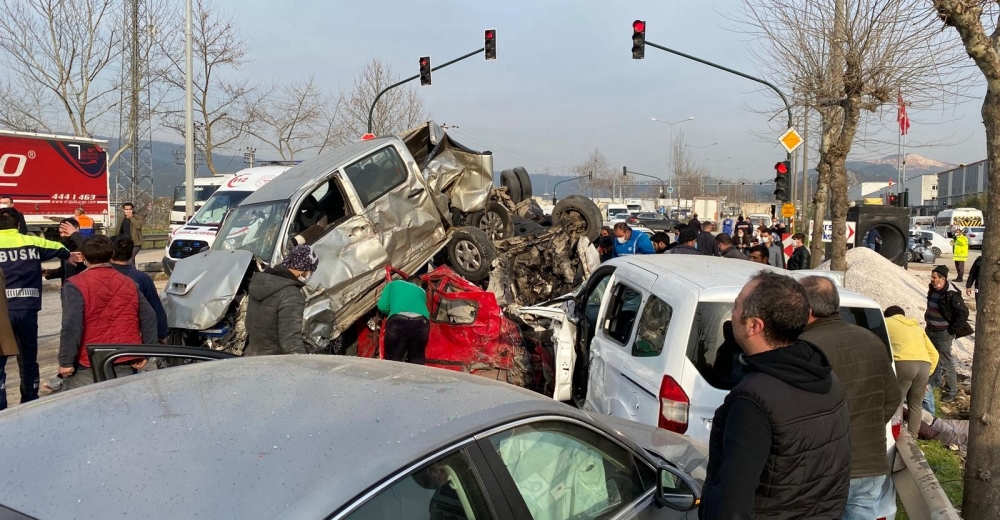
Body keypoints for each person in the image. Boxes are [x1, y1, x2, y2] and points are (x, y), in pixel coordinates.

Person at [699, 271, 850, 519]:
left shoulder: (754, 400)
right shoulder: (827, 376)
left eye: (736, 306)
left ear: (754, 326)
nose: (733, 313)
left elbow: (732, 502)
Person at [798, 276, 900, 518]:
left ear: (807, 309)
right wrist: (866, 426)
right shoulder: (872, 340)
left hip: (819, 467)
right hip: (869, 464)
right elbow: (893, 398)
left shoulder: (802, 348)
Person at [57, 235, 158, 390]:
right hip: (125, 356)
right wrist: (146, 351)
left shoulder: (75, 284)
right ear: (112, 255)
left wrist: (66, 361)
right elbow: (149, 317)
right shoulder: (129, 283)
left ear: (83, 256)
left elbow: (72, 324)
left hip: (90, 360)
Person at [0, 208, 72, 409]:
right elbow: (62, 250)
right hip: (27, 308)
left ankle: (1, 406)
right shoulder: (33, 242)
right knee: (28, 358)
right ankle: (29, 400)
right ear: (18, 225)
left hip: (1, 312)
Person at [244, 245, 318, 356]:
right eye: (311, 271)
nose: (310, 275)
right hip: (274, 363)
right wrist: (303, 365)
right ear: (304, 270)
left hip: (251, 355)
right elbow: (290, 341)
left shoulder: (259, 282)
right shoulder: (291, 294)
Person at [884, 306, 939, 435]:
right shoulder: (917, 328)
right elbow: (935, 354)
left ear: (888, 315)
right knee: (916, 405)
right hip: (924, 365)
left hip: (904, 363)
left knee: (896, 401)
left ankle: (892, 433)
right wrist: (928, 375)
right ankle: (913, 436)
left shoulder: (887, 322)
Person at [925, 265, 973, 403]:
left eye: (934, 277)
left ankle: (952, 391)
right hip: (930, 330)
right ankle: (935, 383)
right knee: (934, 358)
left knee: (946, 362)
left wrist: (951, 330)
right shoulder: (933, 289)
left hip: (943, 334)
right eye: (931, 277)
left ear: (942, 278)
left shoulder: (951, 294)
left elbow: (963, 313)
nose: (932, 279)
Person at [111, 235, 168, 343]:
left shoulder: (100, 277)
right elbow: (155, 307)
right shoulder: (142, 278)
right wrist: (161, 334)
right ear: (132, 254)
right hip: (134, 337)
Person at [377, 275, 431, 365]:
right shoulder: (422, 291)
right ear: (418, 284)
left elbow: (382, 306)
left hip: (399, 322)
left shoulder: (393, 284)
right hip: (421, 323)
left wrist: (390, 313)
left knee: (393, 359)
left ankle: (393, 378)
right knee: (417, 359)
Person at [42, 218, 87, 287]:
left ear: (76, 230)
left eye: (66, 232)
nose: (63, 235)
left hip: (81, 291)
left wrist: (75, 234)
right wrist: (49, 273)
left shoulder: (84, 245)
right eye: (60, 232)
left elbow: (91, 252)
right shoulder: (65, 248)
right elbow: (66, 270)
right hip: (67, 291)